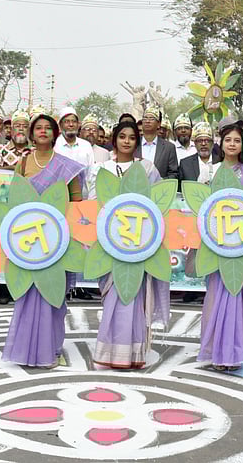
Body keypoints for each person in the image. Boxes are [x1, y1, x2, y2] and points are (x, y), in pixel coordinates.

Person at [3, 113, 85, 368]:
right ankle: (26, 349)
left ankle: (50, 349)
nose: (42, 131)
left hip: (56, 240)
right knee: (28, 292)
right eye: (38, 128)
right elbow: (15, 198)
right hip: (28, 240)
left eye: (47, 128)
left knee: (52, 292)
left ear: (54, 133)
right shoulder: (24, 162)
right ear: (31, 133)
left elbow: (76, 203)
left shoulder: (67, 166)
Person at [87, 120, 170, 369]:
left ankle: (133, 352)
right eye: (122, 136)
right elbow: (93, 203)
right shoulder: (102, 169)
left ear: (137, 142)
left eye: (132, 137)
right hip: (110, 242)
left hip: (139, 244)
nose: (126, 141)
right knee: (114, 294)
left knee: (134, 294)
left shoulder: (147, 168)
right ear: (114, 139)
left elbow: (157, 205)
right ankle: (110, 350)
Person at [198, 124, 243, 370]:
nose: (232, 144)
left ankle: (236, 352)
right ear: (221, 143)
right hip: (217, 245)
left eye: (237, 140)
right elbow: (201, 208)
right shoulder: (210, 171)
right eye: (228, 140)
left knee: (240, 298)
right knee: (216, 296)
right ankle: (217, 352)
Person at [51, 107, 94, 197]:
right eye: (67, 121)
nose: (71, 124)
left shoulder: (86, 146)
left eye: (74, 121)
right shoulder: (54, 145)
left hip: (83, 197)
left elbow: (90, 174)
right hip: (58, 197)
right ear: (60, 125)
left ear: (78, 125)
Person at [137, 107, 179, 181]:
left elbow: (174, 174)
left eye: (151, 119)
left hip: (159, 187)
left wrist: (160, 182)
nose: (147, 121)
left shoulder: (169, 147)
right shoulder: (134, 144)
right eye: (145, 118)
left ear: (159, 124)